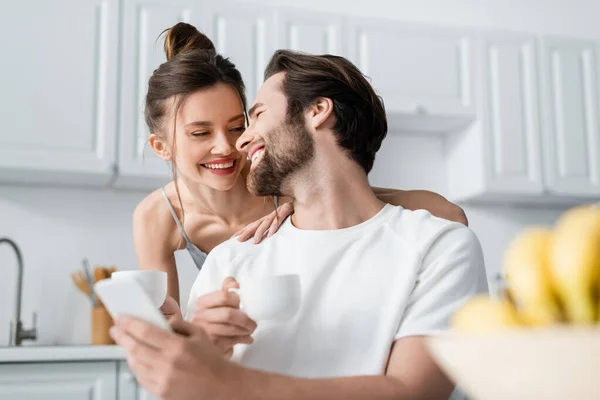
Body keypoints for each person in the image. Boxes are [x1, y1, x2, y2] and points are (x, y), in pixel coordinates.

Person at [112, 46, 486, 400]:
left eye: (253, 117)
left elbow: (412, 392)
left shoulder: (439, 245)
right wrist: (204, 350)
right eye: (201, 132)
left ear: (318, 110)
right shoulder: (228, 260)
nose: (238, 143)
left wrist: (226, 380)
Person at [133, 22, 468, 305]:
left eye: (238, 126)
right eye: (200, 133)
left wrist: (301, 204)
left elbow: (441, 213)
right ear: (160, 146)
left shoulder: (274, 175)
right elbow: (165, 328)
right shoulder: (159, 218)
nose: (229, 145)